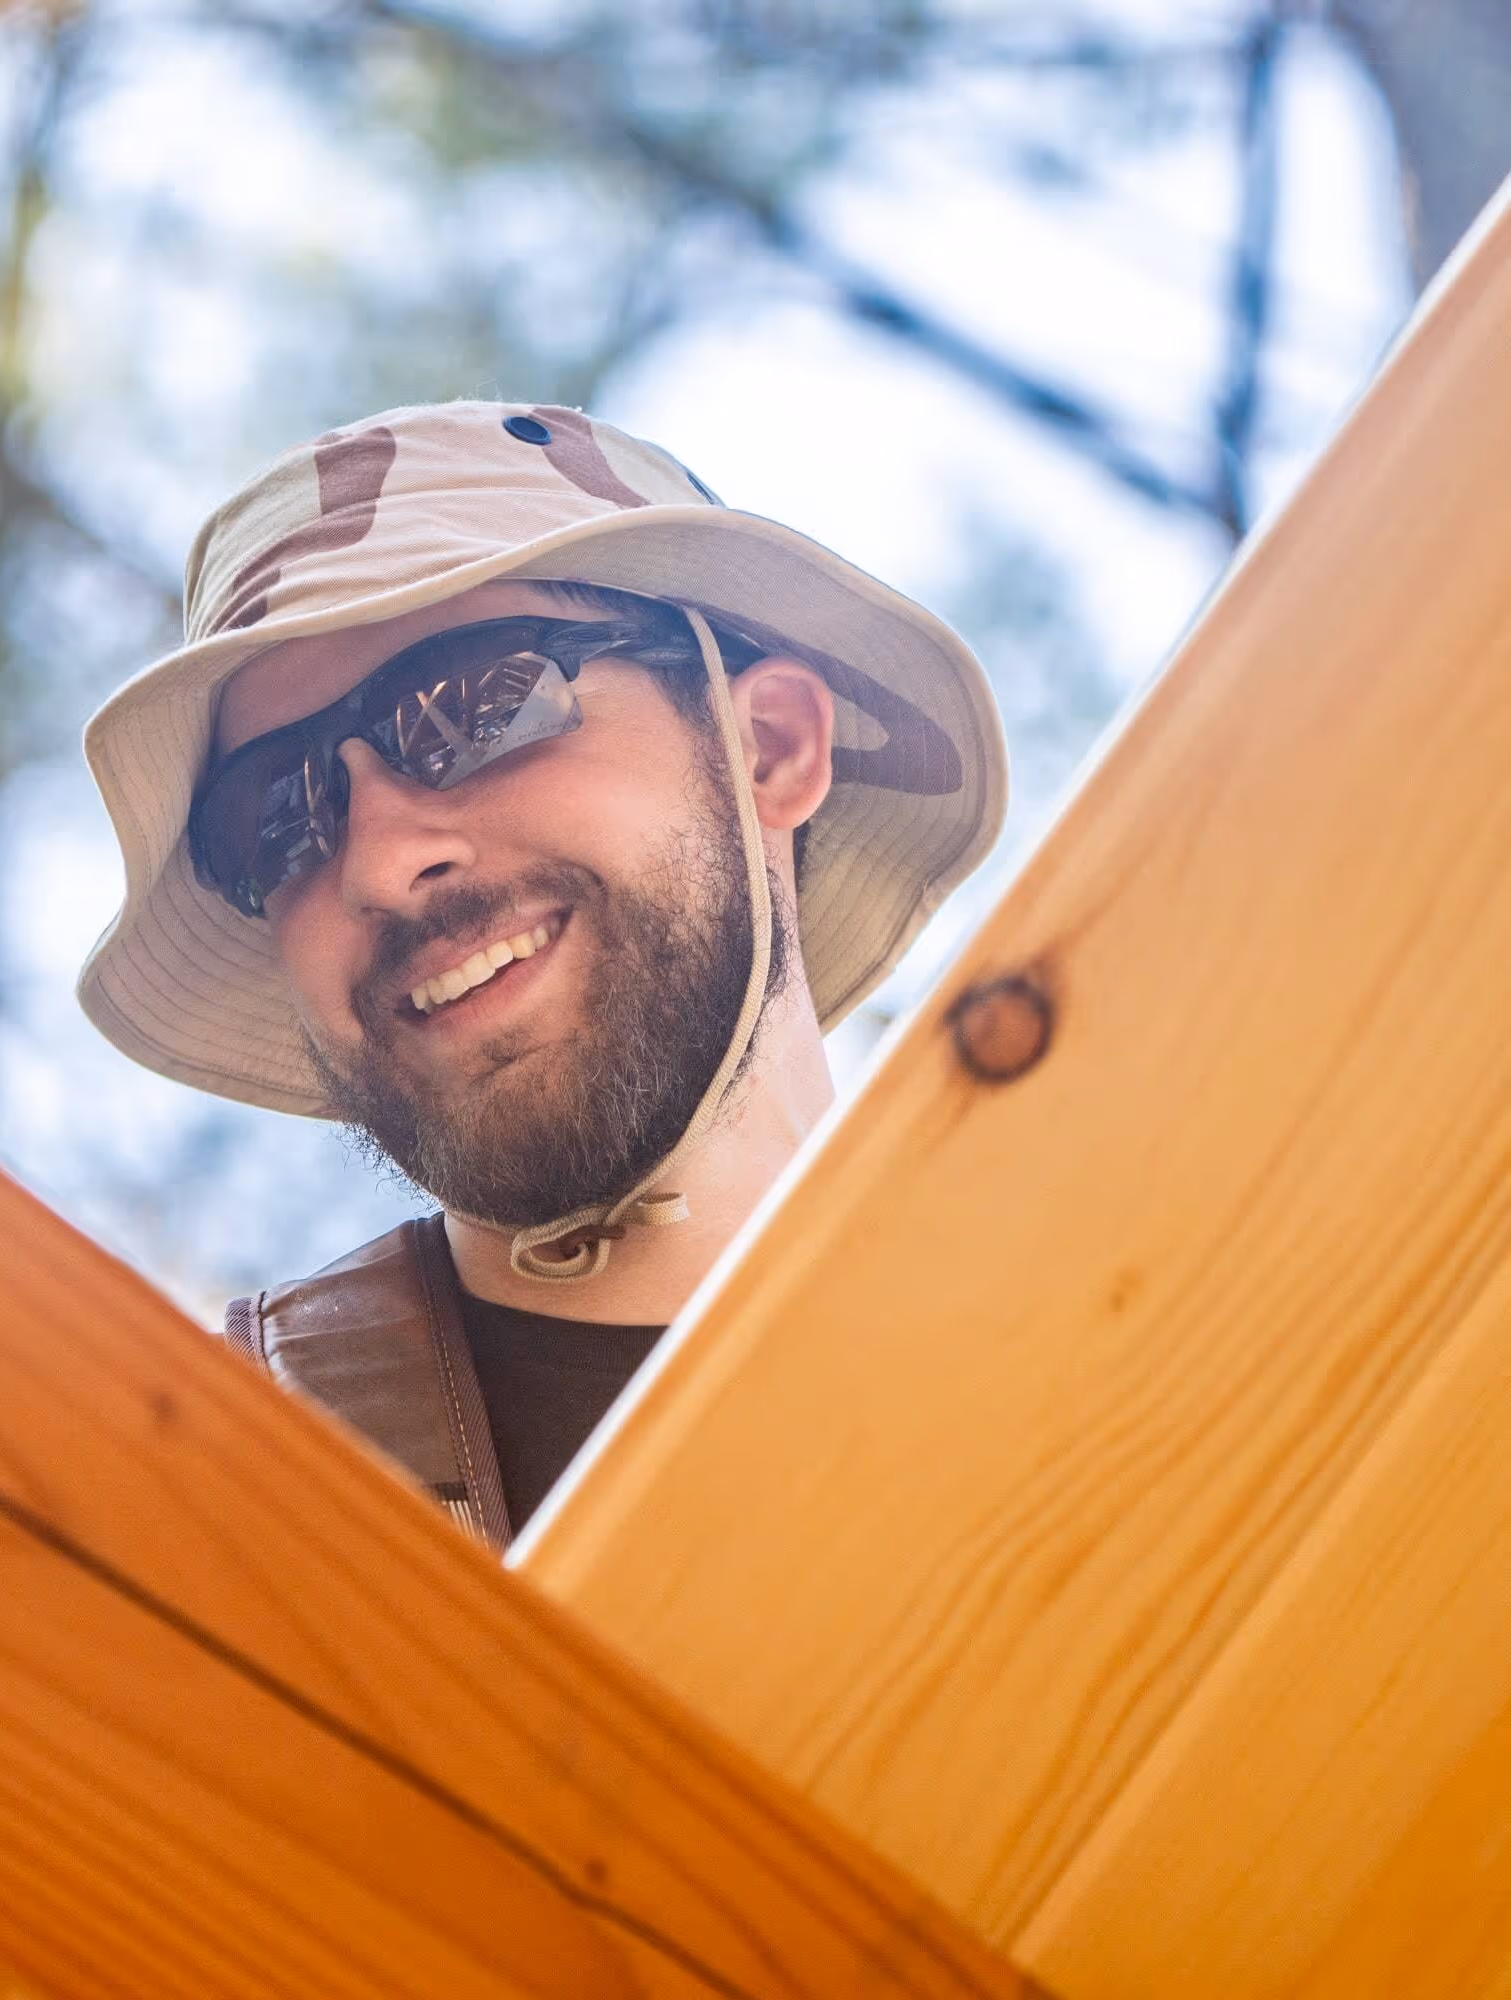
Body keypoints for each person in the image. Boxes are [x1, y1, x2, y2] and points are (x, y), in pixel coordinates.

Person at [75, 401, 1005, 1552]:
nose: (376, 863)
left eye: (481, 704)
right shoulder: (198, 1521)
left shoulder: (1150, 1310)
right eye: (274, 819)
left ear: (768, 745)